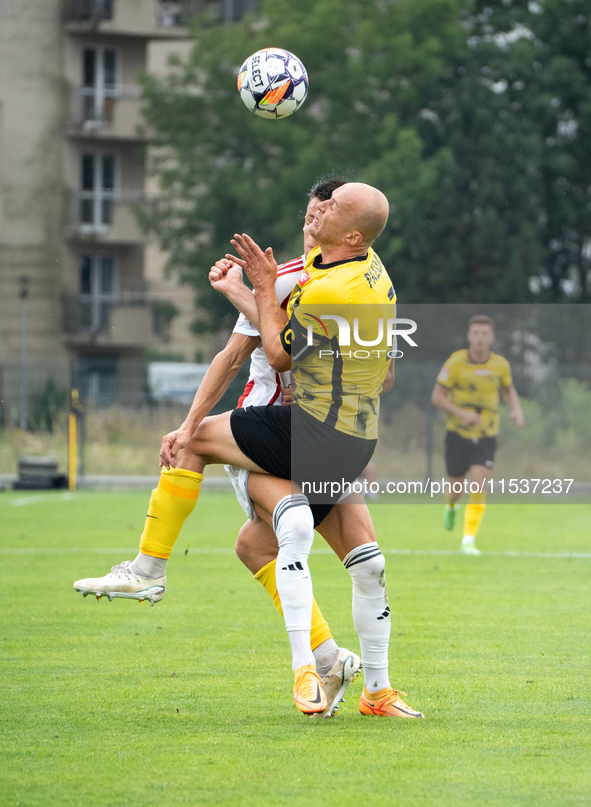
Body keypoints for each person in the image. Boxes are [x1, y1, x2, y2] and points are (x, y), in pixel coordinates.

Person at [74, 182, 418, 718]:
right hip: (343, 437)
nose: (315, 215)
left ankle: (152, 571)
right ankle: (366, 684)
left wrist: (252, 287)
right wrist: (253, 290)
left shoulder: (306, 285)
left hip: (299, 432)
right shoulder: (369, 268)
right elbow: (384, 375)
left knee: (230, 484)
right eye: (312, 208)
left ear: (349, 233)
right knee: (318, 552)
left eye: (327, 208)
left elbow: (273, 353)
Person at [431, 314, 524, 554]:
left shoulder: (500, 365)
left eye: (485, 333)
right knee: (455, 490)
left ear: (492, 337)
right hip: (457, 433)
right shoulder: (455, 362)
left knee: (479, 482)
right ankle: (451, 507)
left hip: (486, 433)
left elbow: (508, 389)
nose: (480, 338)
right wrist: (461, 413)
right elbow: (437, 397)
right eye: (476, 333)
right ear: (469, 336)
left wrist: (516, 409)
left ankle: (468, 540)